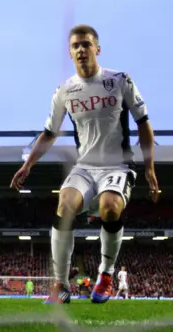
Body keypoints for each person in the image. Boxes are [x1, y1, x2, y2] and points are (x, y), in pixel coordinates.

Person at [11, 24, 159, 305]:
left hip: (118, 166)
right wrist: (28, 165)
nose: (81, 50)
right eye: (75, 46)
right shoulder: (65, 90)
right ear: (70, 53)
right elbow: (50, 133)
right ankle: (61, 285)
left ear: (97, 49)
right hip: (85, 167)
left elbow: (144, 125)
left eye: (86, 44)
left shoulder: (120, 80)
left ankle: (106, 275)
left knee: (110, 207)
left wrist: (149, 168)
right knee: (65, 204)